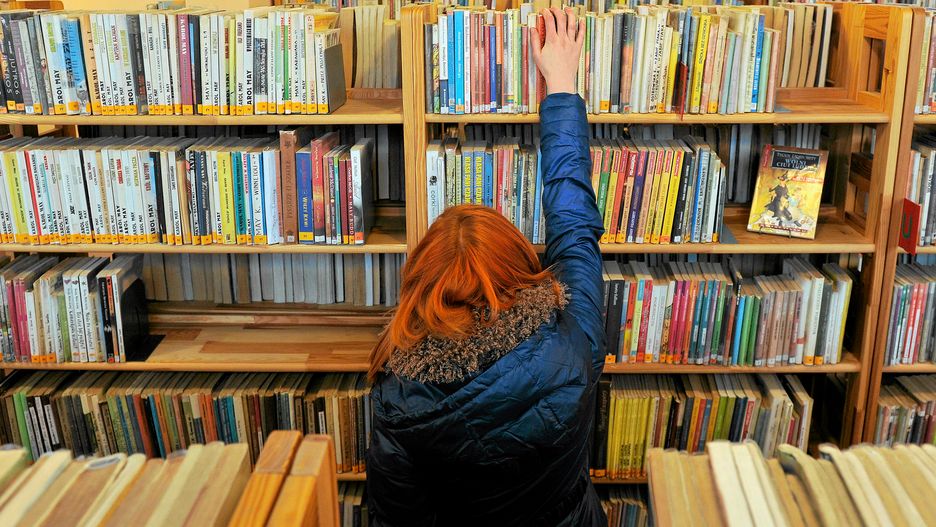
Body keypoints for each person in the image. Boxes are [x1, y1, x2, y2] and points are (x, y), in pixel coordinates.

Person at [366, 8, 605, 526]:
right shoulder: (574, 339)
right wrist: (561, 87)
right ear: (520, 265)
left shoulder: (397, 391)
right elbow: (573, 222)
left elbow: (395, 517)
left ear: (420, 280)